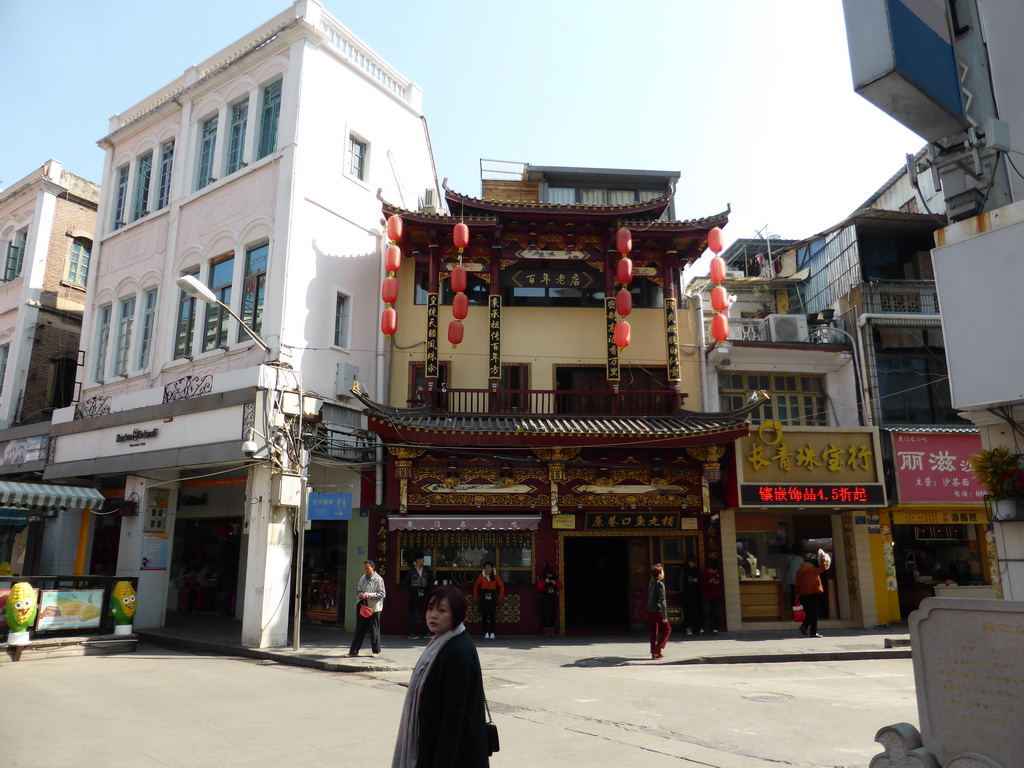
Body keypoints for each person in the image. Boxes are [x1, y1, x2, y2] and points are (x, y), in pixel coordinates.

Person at [392, 585, 490, 768]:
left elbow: (454, 717)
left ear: (457, 614)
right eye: (430, 609)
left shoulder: (457, 650)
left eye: (442, 610)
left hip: (452, 754)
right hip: (433, 745)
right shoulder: (440, 643)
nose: (433, 615)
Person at [348, 560, 386, 657]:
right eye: (364, 568)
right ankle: (354, 651)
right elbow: (358, 590)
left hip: (374, 608)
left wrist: (369, 595)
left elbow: (382, 594)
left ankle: (376, 651)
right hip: (363, 607)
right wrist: (360, 595)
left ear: (373, 568)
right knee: (359, 629)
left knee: (374, 630)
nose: (366, 570)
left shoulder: (378, 579)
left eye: (367, 568)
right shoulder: (363, 578)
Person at [796, 548, 832, 638]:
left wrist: (796, 594)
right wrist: (823, 557)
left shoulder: (799, 572)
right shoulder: (813, 571)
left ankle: (806, 628)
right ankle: (810, 630)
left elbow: (797, 584)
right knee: (814, 613)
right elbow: (824, 567)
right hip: (812, 594)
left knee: (810, 613)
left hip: (803, 595)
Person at [401, 552, 434, 639]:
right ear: (416, 560)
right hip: (415, 592)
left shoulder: (426, 570)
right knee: (414, 613)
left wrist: (428, 588)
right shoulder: (411, 570)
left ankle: (427, 632)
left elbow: (431, 579)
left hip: (424, 591)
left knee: (424, 613)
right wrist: (411, 589)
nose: (422, 560)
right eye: (420, 558)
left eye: (423, 558)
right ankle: (411, 632)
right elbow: (405, 582)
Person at [473, 562, 504, 639]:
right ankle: (486, 632)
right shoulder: (481, 576)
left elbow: (502, 586)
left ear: (492, 568)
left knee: (492, 615)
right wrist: (475, 598)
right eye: (486, 568)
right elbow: (476, 587)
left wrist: (500, 597)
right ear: (484, 569)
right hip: (483, 597)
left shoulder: (496, 576)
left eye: (489, 568)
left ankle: (493, 632)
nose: (487, 569)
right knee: (484, 616)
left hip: (492, 597)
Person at [646, 563, 671, 659]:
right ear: (660, 574)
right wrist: (665, 616)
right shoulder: (660, 584)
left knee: (653, 631)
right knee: (667, 629)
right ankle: (658, 647)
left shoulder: (651, 582)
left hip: (649, 609)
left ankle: (655, 652)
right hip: (657, 610)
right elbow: (663, 600)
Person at [699, 553, 725, 634]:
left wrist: (717, 583)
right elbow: (700, 583)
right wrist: (708, 582)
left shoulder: (719, 573)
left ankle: (715, 628)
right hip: (707, 595)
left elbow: (722, 584)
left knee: (717, 612)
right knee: (705, 612)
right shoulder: (705, 573)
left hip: (717, 596)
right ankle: (702, 627)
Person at [536, 563, 563, 638]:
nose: (549, 575)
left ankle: (551, 631)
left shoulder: (555, 577)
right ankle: (546, 632)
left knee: (552, 615)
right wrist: (545, 582)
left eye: (550, 574)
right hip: (545, 600)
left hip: (553, 599)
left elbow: (561, 586)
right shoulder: (542, 578)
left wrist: (556, 583)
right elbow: (538, 588)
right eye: (548, 574)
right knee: (544, 615)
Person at [678, 555, 702, 635]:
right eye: (692, 563)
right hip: (686, 593)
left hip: (695, 593)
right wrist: (681, 591)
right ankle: (688, 627)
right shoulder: (684, 569)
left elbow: (700, 579)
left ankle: (696, 627)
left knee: (696, 610)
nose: (693, 564)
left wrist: (697, 581)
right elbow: (681, 581)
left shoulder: (696, 570)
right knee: (687, 611)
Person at [785, 544, 804, 614]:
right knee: (799, 595)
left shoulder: (788, 557)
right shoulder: (800, 558)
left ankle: (793, 609)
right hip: (798, 579)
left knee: (793, 594)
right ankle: (799, 610)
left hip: (791, 578)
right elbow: (803, 567)